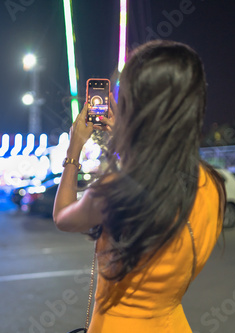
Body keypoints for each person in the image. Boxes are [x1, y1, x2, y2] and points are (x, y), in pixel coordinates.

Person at [53, 40, 226, 333]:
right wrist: (125, 141)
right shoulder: (212, 184)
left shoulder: (116, 189)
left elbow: (63, 216)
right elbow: (157, 177)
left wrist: (75, 147)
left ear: (136, 105)